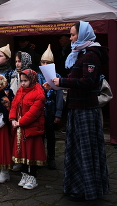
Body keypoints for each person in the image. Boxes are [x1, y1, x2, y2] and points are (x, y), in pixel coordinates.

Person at [49, 21, 109, 201]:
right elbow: (76, 80)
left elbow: (88, 82)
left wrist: (63, 82)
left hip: (85, 110)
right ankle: (76, 186)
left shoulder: (91, 55)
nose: (71, 38)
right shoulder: (80, 53)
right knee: (76, 150)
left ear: (83, 35)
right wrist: (55, 85)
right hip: (77, 109)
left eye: (73, 34)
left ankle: (87, 189)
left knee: (86, 151)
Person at [10, 69, 46, 190]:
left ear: (32, 80)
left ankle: (32, 177)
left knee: (31, 154)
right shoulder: (20, 91)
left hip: (31, 129)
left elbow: (33, 113)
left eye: (25, 81)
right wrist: (12, 119)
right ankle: (24, 175)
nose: (23, 83)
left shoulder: (39, 93)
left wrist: (20, 122)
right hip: (20, 128)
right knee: (21, 153)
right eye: (21, 81)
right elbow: (14, 105)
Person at [37, 44, 63, 170]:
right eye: (43, 62)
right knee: (40, 135)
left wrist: (58, 113)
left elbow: (59, 96)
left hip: (51, 110)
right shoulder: (37, 77)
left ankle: (51, 157)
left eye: (48, 62)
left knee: (51, 136)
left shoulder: (57, 77)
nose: (45, 64)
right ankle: (40, 157)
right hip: (39, 111)